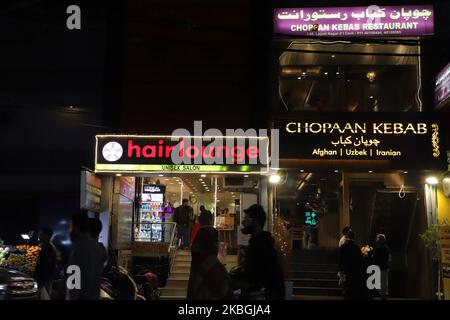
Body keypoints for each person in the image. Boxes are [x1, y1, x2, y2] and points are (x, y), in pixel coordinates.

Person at [235, 204, 285, 300]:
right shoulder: (259, 243)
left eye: (247, 218)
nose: (243, 222)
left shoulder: (261, 246)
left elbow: (255, 278)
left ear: (256, 222)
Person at [66, 210, 106, 300]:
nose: (69, 230)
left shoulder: (78, 248)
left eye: (70, 226)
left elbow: (73, 283)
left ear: (75, 227)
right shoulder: (99, 248)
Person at [187, 226, 232, 300]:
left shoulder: (197, 263)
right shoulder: (213, 266)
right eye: (216, 241)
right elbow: (225, 291)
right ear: (212, 244)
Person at [339, 230, 365, 300]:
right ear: (354, 237)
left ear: (348, 237)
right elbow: (360, 259)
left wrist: (341, 269)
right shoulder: (356, 247)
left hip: (345, 268)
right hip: (354, 270)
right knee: (353, 285)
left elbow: (340, 259)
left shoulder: (343, 246)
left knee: (346, 284)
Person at [33, 228, 58, 298]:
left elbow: (48, 263)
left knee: (43, 294)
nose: (39, 235)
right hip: (44, 276)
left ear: (46, 236)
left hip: (45, 277)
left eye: (41, 234)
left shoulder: (49, 247)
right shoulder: (42, 246)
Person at [372, 234, 391, 300]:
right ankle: (384, 294)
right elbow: (388, 258)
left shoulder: (380, 247)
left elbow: (376, 257)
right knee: (384, 281)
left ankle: (383, 294)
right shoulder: (386, 247)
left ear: (380, 239)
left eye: (377, 238)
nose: (376, 239)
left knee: (378, 282)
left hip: (381, 266)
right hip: (384, 266)